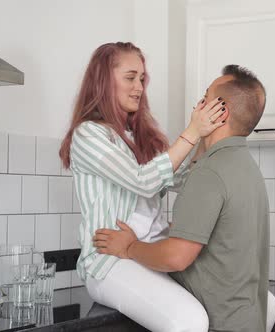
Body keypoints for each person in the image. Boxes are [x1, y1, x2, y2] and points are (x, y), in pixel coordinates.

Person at [93, 65, 275, 332]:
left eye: (205, 98)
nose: (197, 106)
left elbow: (175, 258)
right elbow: (223, 241)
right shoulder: (247, 168)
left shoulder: (211, 172)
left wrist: (129, 247)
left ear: (219, 112)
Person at [59, 42, 227, 331]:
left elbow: (180, 180)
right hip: (109, 262)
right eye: (130, 77)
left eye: (141, 79)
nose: (139, 86)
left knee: (262, 301)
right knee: (190, 320)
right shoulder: (88, 135)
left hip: (150, 252)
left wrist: (204, 138)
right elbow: (144, 182)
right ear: (103, 82)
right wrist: (192, 132)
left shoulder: (140, 136)